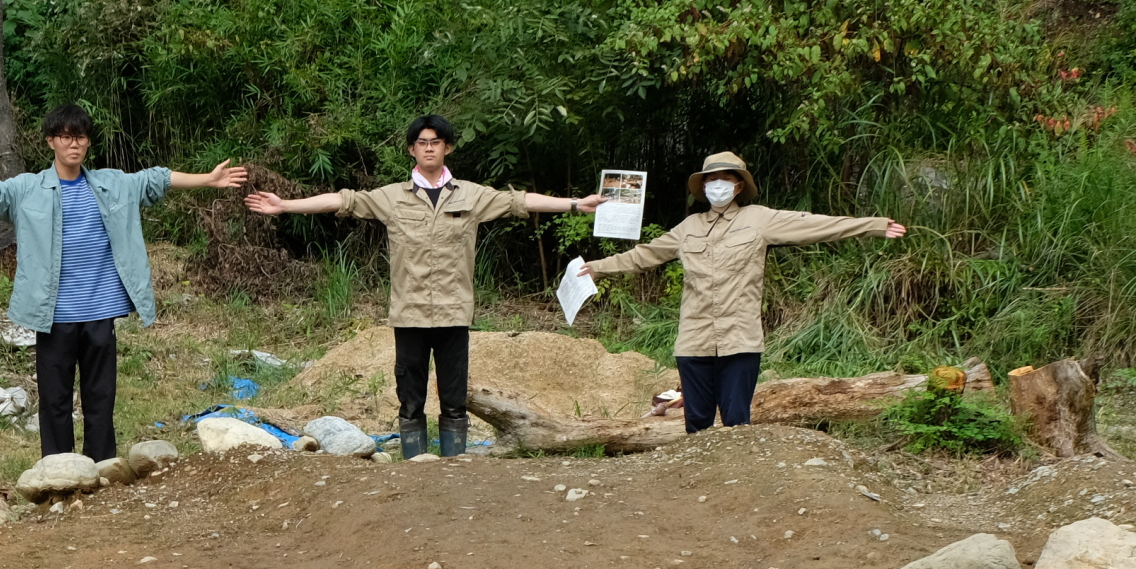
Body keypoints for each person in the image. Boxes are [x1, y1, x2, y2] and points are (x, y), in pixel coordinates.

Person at [246, 114, 599, 457]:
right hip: (409, 310)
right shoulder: (392, 197)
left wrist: (574, 204)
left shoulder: (471, 196)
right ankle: (414, 467)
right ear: (411, 150)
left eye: (436, 142)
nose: (428, 148)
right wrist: (286, 205)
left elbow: (519, 201)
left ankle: (452, 466)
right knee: (410, 396)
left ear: (447, 148)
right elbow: (342, 201)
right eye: (421, 143)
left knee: (454, 397)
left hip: (453, 310)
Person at [0, 108, 245, 460]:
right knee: (55, 400)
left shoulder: (112, 184)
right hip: (54, 314)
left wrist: (208, 179)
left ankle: (101, 466)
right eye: (65, 136)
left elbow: (154, 179)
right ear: (51, 141)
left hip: (101, 311)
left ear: (88, 141)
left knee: (100, 398)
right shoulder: (28, 189)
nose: (73, 143)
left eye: (79, 136)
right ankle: (58, 468)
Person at [582, 149, 906, 433]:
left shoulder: (759, 219)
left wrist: (872, 225)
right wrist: (598, 267)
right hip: (694, 340)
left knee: (737, 422)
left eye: (725, 178)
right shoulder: (688, 228)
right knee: (697, 423)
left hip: (740, 340)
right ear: (703, 186)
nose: (717, 185)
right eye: (711, 179)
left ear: (738, 186)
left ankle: (737, 493)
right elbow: (644, 254)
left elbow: (813, 225)